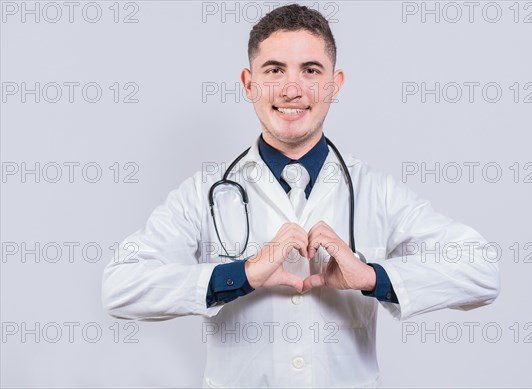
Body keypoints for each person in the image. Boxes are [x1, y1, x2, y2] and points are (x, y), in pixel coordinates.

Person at [102, 4, 500, 388]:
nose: (292, 89)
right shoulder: (203, 194)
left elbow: (481, 270)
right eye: (274, 70)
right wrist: (241, 275)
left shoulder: (375, 192)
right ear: (249, 83)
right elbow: (121, 286)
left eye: (310, 70)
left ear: (334, 84)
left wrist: (372, 277)